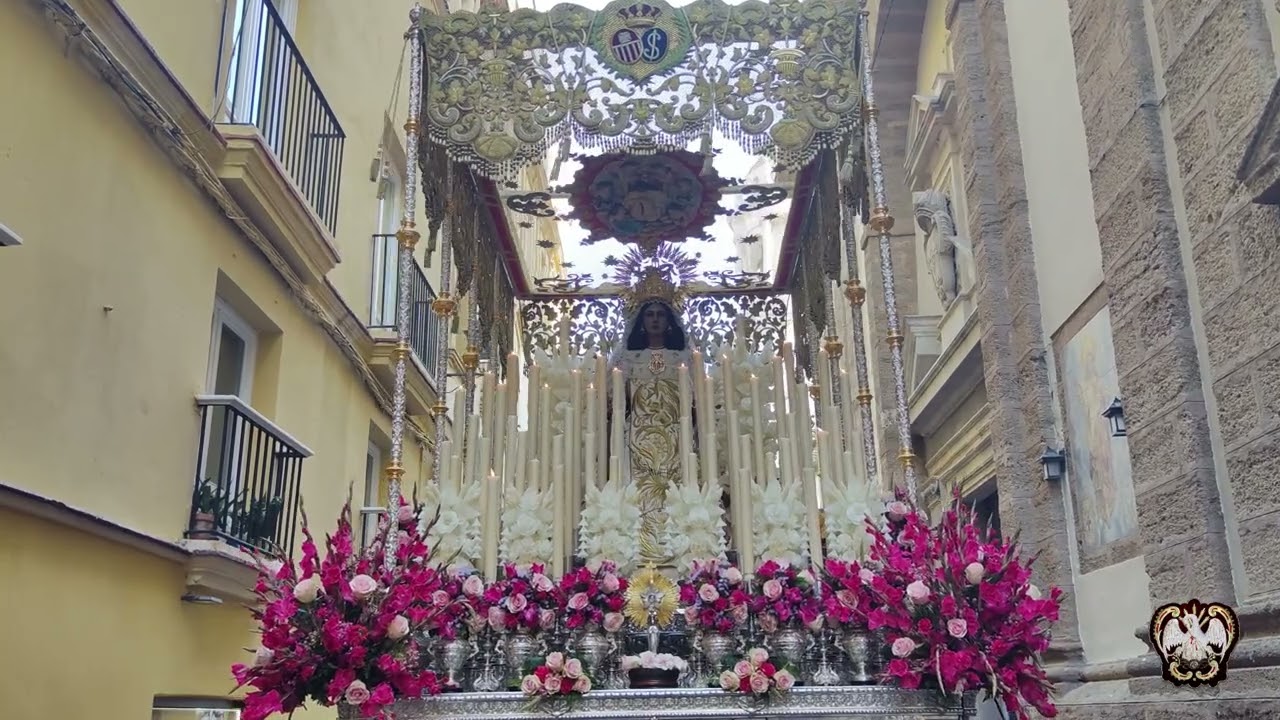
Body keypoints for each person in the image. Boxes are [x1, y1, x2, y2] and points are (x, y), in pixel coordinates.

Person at [609, 300, 694, 562]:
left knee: (674, 489)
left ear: (670, 321)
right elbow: (615, 399)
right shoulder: (628, 358)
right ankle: (641, 546)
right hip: (638, 437)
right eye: (649, 315)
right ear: (641, 322)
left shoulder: (683, 358)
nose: (655, 319)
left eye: (660, 314)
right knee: (640, 490)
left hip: (675, 436)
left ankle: (676, 547)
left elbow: (696, 397)